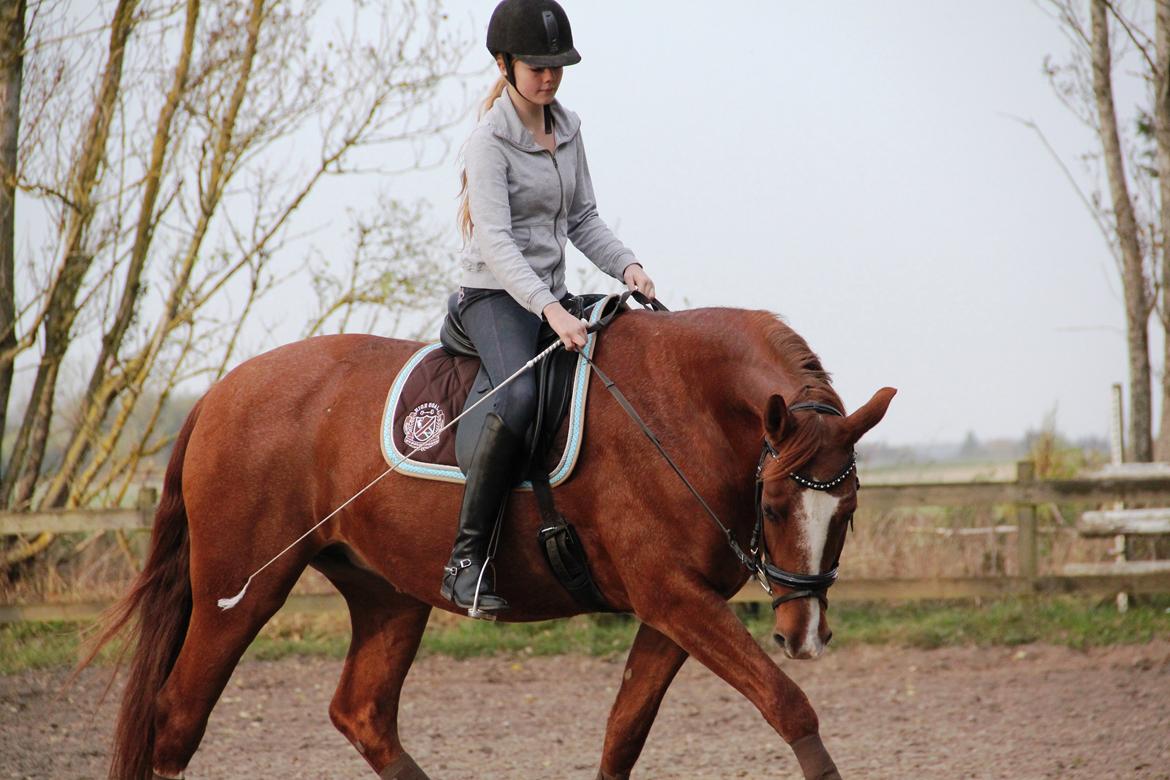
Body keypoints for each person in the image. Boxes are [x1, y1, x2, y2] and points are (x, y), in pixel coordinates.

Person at [441, 0, 657, 616]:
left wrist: (627, 267)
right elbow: (496, 242)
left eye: (557, 65)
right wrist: (551, 311)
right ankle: (465, 559)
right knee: (518, 399)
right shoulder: (488, 144)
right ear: (506, 65)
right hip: (492, 295)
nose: (549, 77)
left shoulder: (569, 129)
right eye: (537, 66)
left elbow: (583, 218)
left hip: (547, 296)